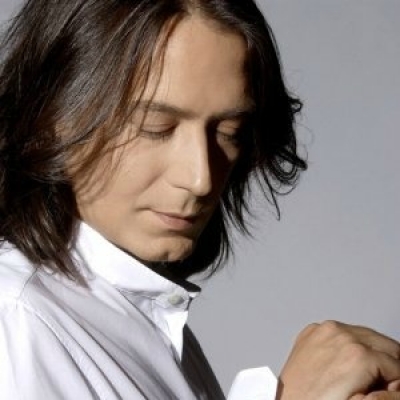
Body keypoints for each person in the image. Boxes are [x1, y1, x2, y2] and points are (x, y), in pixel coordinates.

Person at [0, 0, 399, 399]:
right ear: (54, 116)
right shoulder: (15, 322)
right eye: (156, 127)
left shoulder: (141, 318)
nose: (201, 179)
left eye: (229, 133)